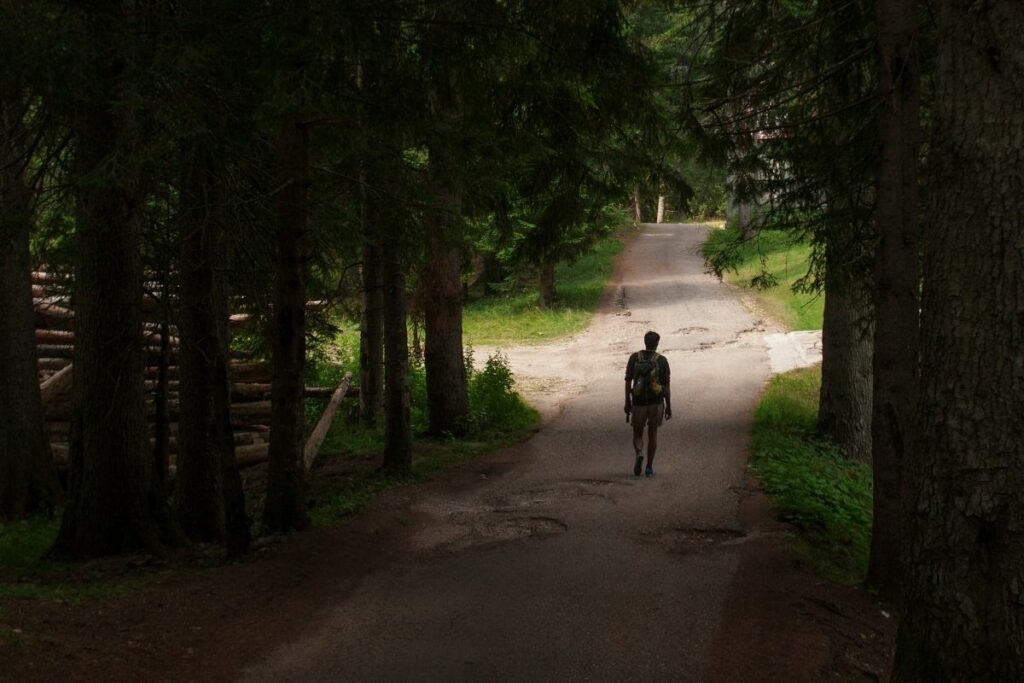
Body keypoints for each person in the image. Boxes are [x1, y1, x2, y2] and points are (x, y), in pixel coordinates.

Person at [624, 330, 672, 477]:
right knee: (653, 434)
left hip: (638, 402)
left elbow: (628, 381)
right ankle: (649, 467)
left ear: (645, 342)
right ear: (657, 344)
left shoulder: (634, 358)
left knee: (638, 434)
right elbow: (666, 386)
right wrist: (668, 405)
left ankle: (639, 452)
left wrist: (627, 401)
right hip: (656, 403)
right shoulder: (662, 360)